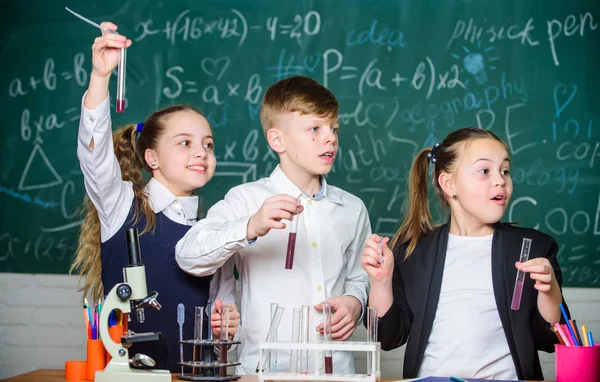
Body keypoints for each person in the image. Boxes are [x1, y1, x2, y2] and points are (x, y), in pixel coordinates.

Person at [70, 22, 239, 372]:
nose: (201, 152)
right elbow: (94, 153)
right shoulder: (122, 207)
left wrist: (227, 321)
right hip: (130, 374)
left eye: (208, 144)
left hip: (197, 375)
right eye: (185, 143)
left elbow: (223, 305)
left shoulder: (214, 229)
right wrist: (101, 76)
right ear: (152, 159)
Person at [176, 76, 371, 374]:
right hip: (263, 372)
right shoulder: (246, 200)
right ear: (276, 139)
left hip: (337, 373)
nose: (330, 138)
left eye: (334, 129)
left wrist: (355, 302)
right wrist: (250, 227)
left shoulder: (352, 209)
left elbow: (360, 277)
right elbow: (188, 256)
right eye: (315, 129)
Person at [361, 127, 567, 380]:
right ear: (449, 184)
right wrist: (380, 283)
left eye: (505, 170)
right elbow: (389, 337)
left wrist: (550, 291)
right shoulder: (412, 250)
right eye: (484, 171)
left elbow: (549, 339)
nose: (500, 180)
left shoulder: (533, 248)